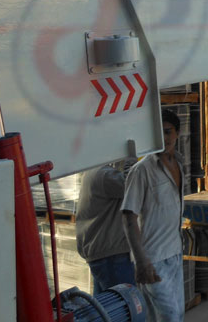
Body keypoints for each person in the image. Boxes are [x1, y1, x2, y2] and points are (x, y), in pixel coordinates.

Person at [122, 109, 185, 320]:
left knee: (176, 315)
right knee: (170, 317)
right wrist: (141, 261)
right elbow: (129, 216)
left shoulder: (179, 165)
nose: (164, 138)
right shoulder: (141, 170)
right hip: (153, 259)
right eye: (159, 133)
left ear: (177, 133)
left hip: (175, 253)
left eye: (168, 132)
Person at [76, 160, 136, 292]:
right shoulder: (104, 175)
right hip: (112, 256)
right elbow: (132, 185)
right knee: (126, 301)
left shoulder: (93, 171)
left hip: (104, 254)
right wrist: (131, 160)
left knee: (106, 303)